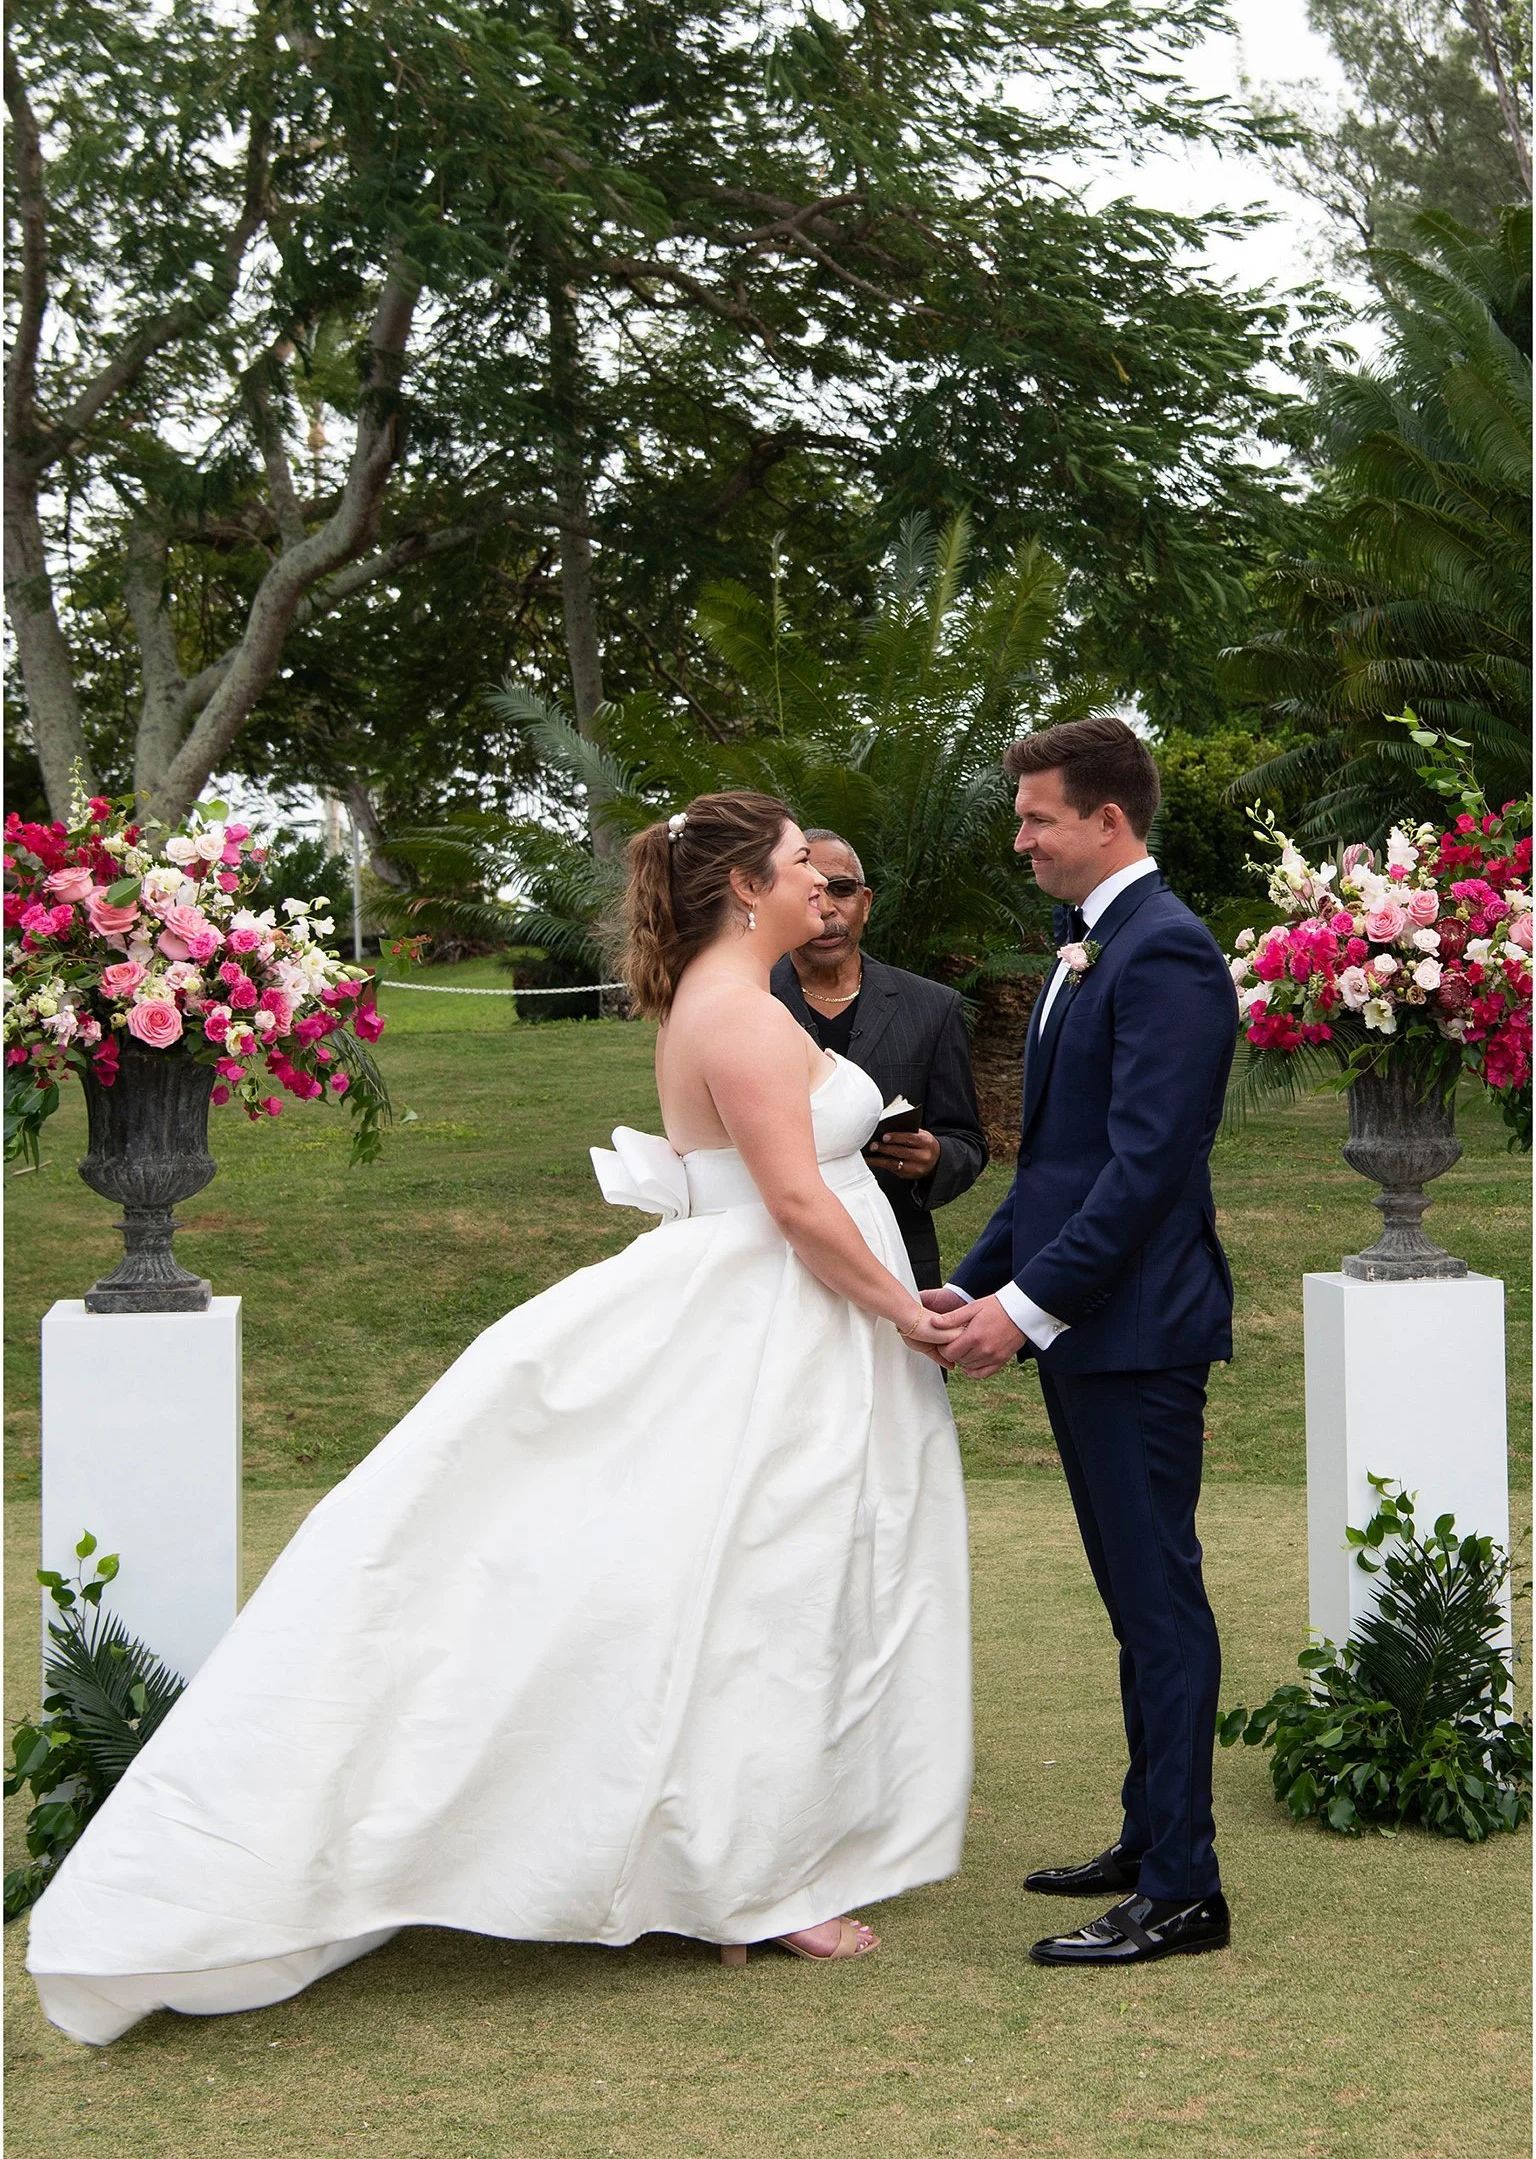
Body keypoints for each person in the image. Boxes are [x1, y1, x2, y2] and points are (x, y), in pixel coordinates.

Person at [28, 793, 973, 2045]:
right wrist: (907, 1317)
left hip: (791, 1319)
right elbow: (797, 1206)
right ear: (747, 885)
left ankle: (764, 1834)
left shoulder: (734, 994)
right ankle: (748, 1876)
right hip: (770, 1321)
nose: (824, 882)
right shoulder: (737, 1008)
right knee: (755, 1586)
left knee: (757, 1582)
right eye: (804, 863)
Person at [928, 717, 1238, 1970]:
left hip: (1139, 1330)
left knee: (1160, 1602)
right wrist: (959, 1290)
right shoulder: (1086, 947)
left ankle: (1184, 1887)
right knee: (1133, 1598)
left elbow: (1147, 1171)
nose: (1021, 837)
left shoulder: (1166, 951)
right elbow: (1054, 1171)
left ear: (1109, 820)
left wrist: (1024, 1310)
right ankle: (1146, 1829)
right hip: (1088, 1326)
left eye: (1037, 816)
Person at [770, 831, 988, 1289]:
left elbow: (967, 1140)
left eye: (842, 889)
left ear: (866, 902)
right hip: (772, 1260)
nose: (827, 908)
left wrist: (935, 1157)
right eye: (810, 892)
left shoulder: (933, 1007)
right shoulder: (748, 1000)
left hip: (897, 1258)